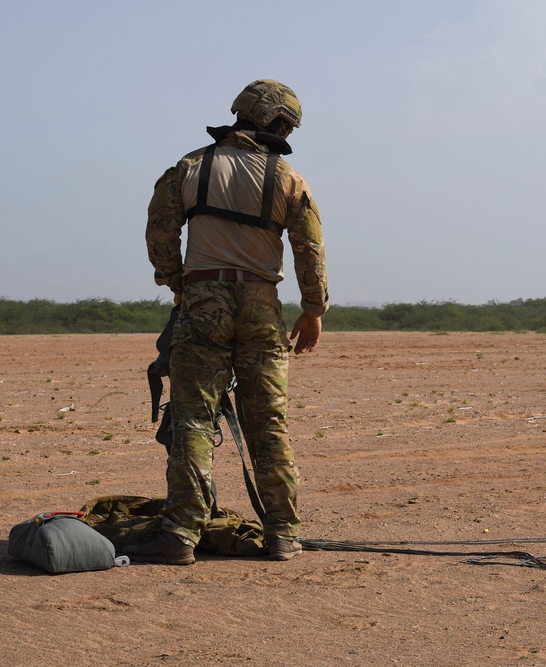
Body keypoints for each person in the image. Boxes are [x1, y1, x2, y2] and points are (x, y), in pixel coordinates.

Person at [129, 80, 328, 564]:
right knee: (269, 424)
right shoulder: (289, 179)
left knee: (194, 420)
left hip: (203, 302)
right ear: (278, 124)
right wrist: (313, 309)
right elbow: (310, 251)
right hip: (263, 304)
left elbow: (159, 229)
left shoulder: (190, 168)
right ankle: (282, 535)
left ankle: (179, 536)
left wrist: (177, 282)